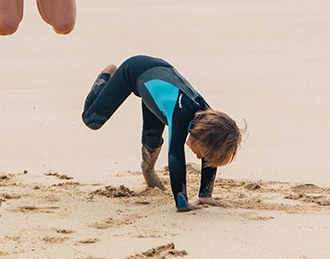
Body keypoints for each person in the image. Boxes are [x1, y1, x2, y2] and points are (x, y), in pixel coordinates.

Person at [81, 55, 243, 212]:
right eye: (202, 152)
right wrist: (182, 202)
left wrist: (205, 195)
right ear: (199, 135)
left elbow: (211, 154)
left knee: (152, 139)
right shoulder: (181, 115)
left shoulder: (208, 120)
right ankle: (107, 74)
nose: (199, 157)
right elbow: (175, 156)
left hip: (156, 85)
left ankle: (148, 172)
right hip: (133, 71)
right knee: (92, 120)